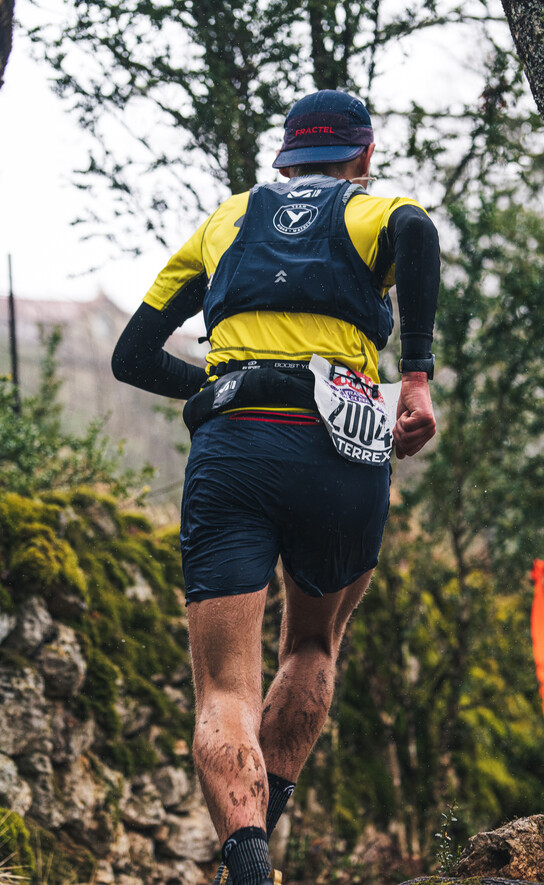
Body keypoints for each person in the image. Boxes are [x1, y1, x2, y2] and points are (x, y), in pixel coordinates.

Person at [112, 89, 440, 885]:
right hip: (344, 448)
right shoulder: (368, 208)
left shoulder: (227, 220)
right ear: (362, 156)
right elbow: (417, 231)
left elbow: (131, 355)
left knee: (224, 685)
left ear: (282, 158)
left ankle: (247, 861)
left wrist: (224, 385)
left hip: (236, 446)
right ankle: (254, 853)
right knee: (312, 644)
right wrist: (417, 378)